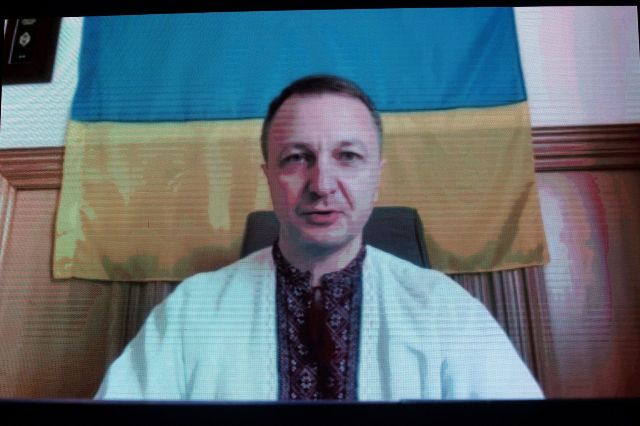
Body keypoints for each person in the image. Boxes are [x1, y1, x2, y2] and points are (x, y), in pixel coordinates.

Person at [95, 75, 544, 400]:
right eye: (296, 158)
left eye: (347, 156)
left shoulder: (446, 311)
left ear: (377, 179)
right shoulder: (192, 311)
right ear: (269, 178)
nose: (322, 184)